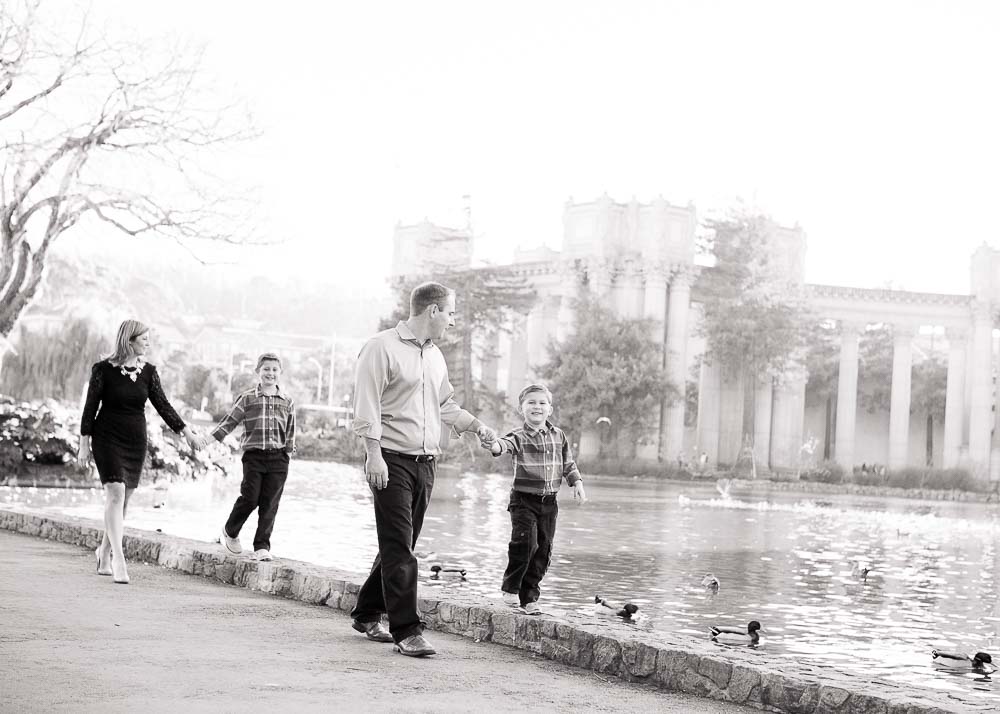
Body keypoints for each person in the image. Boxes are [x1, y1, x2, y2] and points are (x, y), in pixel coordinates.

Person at [350, 281, 496, 657]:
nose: (451, 320)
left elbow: (444, 404)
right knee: (400, 547)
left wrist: (476, 427)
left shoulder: (435, 356)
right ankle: (407, 631)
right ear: (433, 310)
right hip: (391, 459)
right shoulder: (380, 348)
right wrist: (373, 453)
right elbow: (366, 406)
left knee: (400, 543)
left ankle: (366, 613)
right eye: (449, 313)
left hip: (426, 463)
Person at [78, 319, 201, 584]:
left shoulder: (149, 372)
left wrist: (187, 432)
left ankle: (104, 552)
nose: (148, 342)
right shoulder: (103, 370)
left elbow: (163, 406)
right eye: (144, 338)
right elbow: (90, 408)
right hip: (106, 437)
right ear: (129, 340)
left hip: (135, 439)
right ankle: (119, 559)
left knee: (123, 500)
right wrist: (83, 445)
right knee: (115, 493)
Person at [482, 383, 586, 615]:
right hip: (523, 501)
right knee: (525, 544)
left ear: (550, 408)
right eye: (531, 402)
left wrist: (576, 482)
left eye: (542, 403)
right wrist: (494, 444)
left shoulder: (559, 435)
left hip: (549, 503)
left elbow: (568, 463)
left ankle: (529, 597)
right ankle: (511, 587)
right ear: (522, 409)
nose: (537, 407)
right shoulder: (518, 436)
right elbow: (503, 445)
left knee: (543, 550)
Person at [201, 352, 296, 562]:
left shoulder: (287, 401)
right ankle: (230, 531)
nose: (270, 373)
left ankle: (261, 546)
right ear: (258, 372)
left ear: (280, 373)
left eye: (274, 370)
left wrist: (287, 454)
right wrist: (208, 440)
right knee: (250, 498)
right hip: (254, 457)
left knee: (270, 503)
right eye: (266, 369)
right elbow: (229, 422)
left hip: (279, 459)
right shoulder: (248, 398)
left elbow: (290, 431)